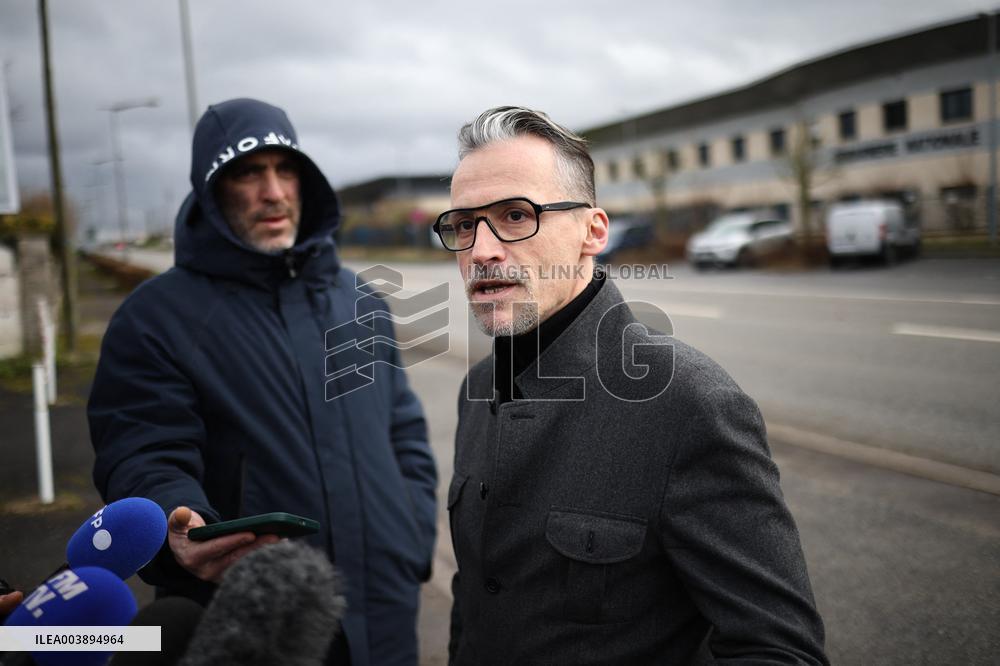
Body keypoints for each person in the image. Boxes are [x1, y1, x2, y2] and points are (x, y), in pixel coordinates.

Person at [438, 106, 828, 665]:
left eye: (516, 215)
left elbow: (779, 650)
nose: (481, 251)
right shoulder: (478, 387)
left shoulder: (689, 404)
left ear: (592, 231)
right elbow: (478, 597)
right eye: (463, 224)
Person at [88, 98, 437, 666]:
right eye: (248, 173)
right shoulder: (155, 319)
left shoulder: (358, 299)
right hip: (254, 619)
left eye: (285, 170)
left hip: (386, 606)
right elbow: (143, 453)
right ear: (212, 190)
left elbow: (402, 430)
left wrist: (413, 538)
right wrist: (175, 517)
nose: (273, 192)